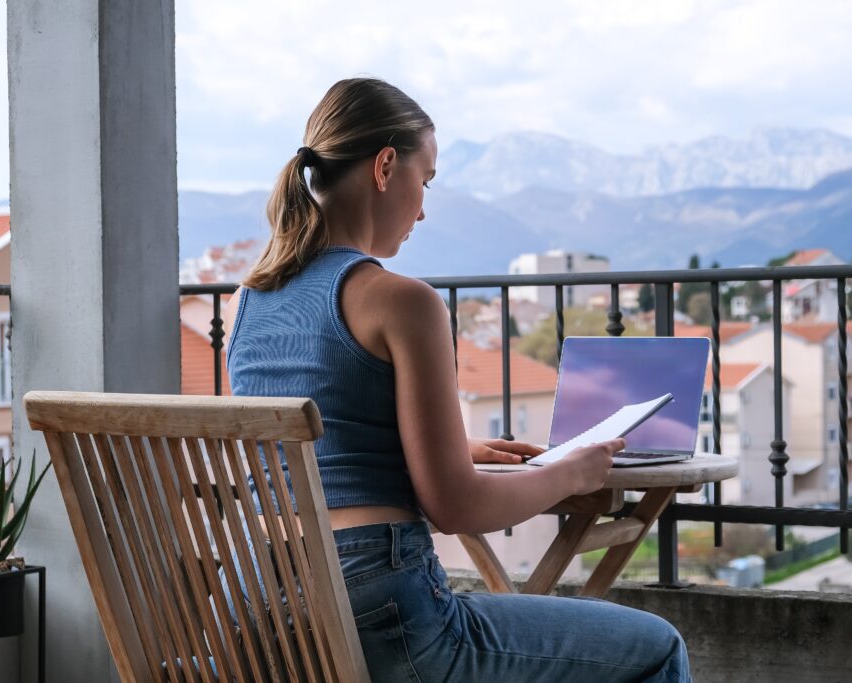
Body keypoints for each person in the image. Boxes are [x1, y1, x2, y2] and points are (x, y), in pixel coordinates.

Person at [224, 77, 690, 682]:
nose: (422, 208)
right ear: (386, 166)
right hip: (380, 615)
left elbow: (313, 439)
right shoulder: (399, 301)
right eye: (427, 180)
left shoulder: (248, 303)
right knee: (655, 647)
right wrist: (570, 472)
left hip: (265, 606)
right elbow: (456, 506)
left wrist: (435, 447)